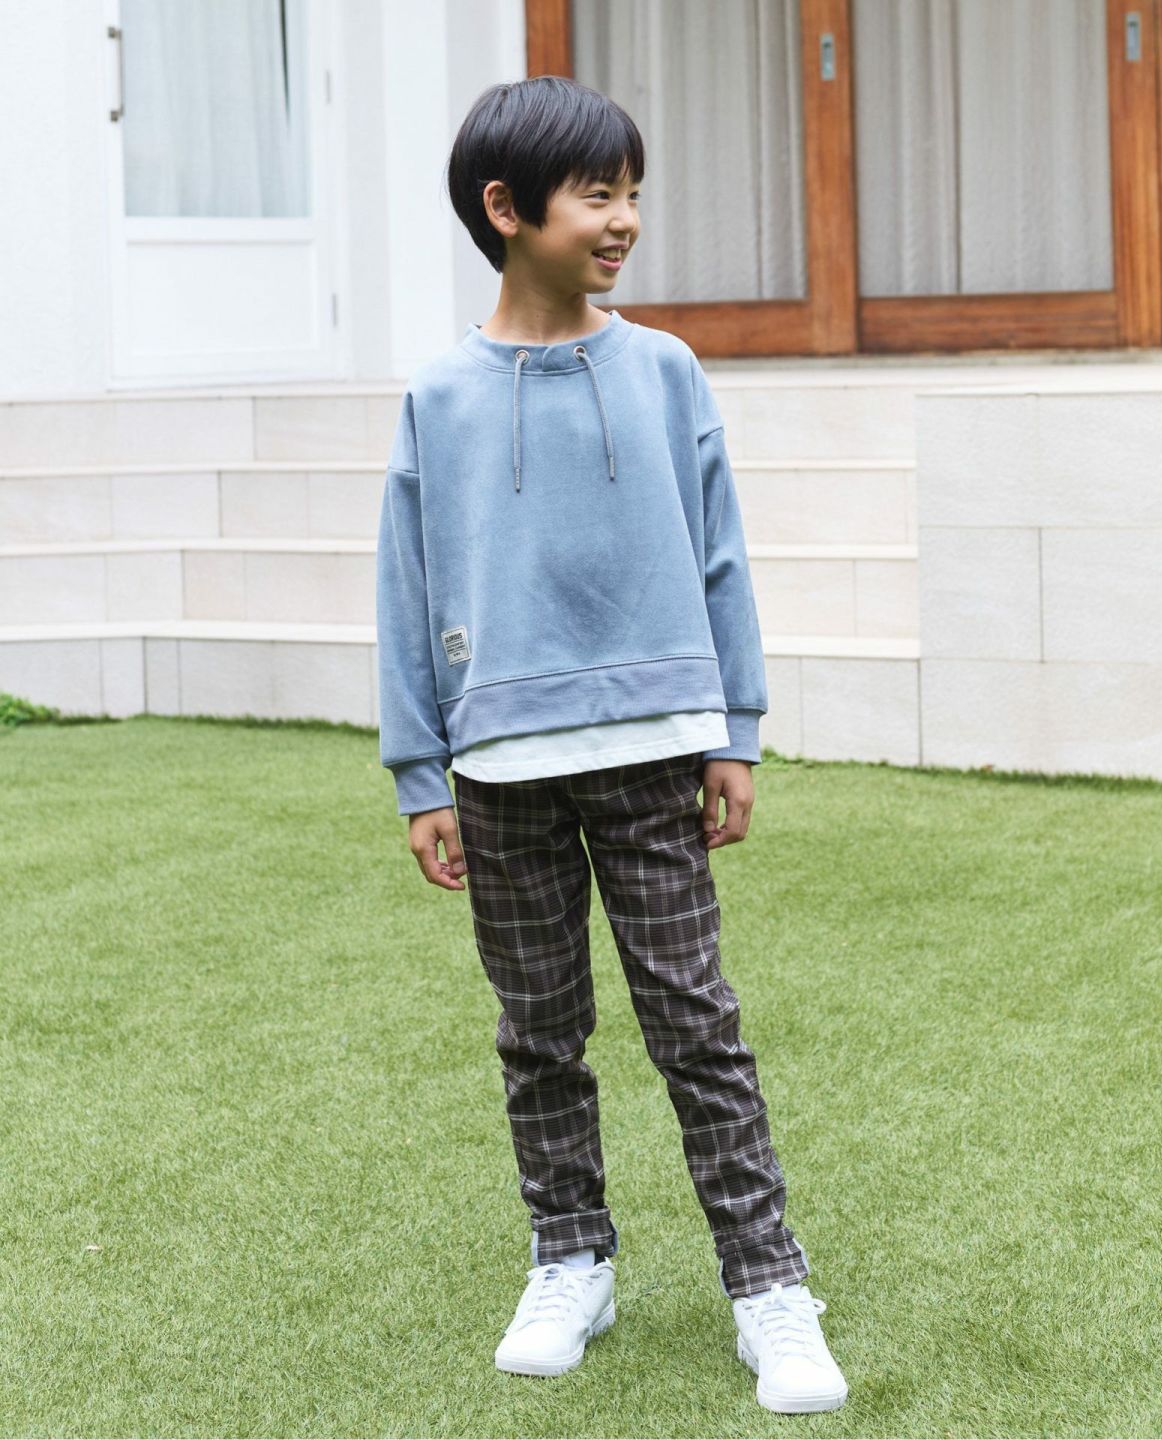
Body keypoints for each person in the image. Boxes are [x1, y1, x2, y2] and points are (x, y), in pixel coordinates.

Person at [375, 74, 848, 1416]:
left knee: (697, 1023)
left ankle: (768, 1286)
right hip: (499, 769)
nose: (626, 218)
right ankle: (569, 1258)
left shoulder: (665, 369)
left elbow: (720, 553)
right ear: (507, 209)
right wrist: (419, 773)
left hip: (655, 754)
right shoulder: (439, 398)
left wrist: (735, 728)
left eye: (633, 192)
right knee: (540, 1032)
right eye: (598, 194)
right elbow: (407, 587)